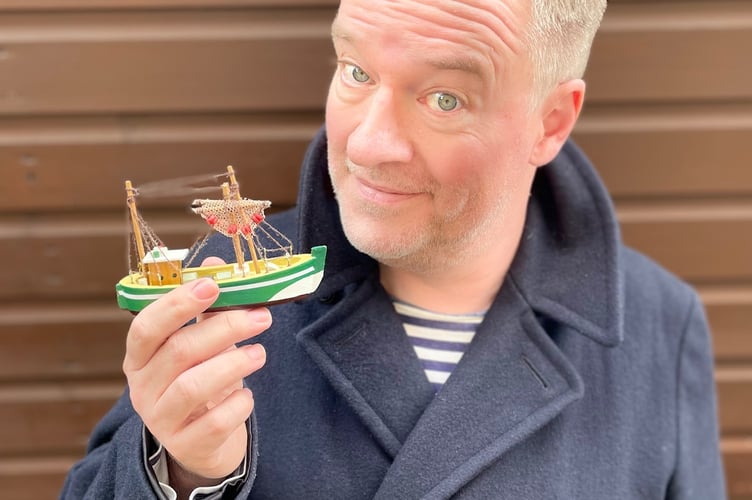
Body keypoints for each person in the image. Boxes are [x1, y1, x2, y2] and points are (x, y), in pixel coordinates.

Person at [61, 0, 727, 498]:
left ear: (550, 122)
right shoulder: (222, 284)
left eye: (445, 98)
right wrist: (183, 474)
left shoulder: (659, 326)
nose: (368, 144)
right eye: (356, 71)